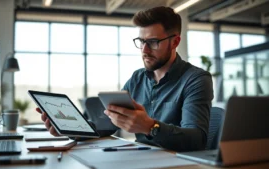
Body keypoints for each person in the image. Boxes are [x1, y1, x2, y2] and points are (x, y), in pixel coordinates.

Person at [37, 6, 213, 152]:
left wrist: (150, 127)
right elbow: (107, 124)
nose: (144, 50)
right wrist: (70, 129)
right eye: (141, 41)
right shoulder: (137, 78)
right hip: (140, 158)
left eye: (152, 42)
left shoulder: (196, 79)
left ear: (175, 42)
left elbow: (196, 140)